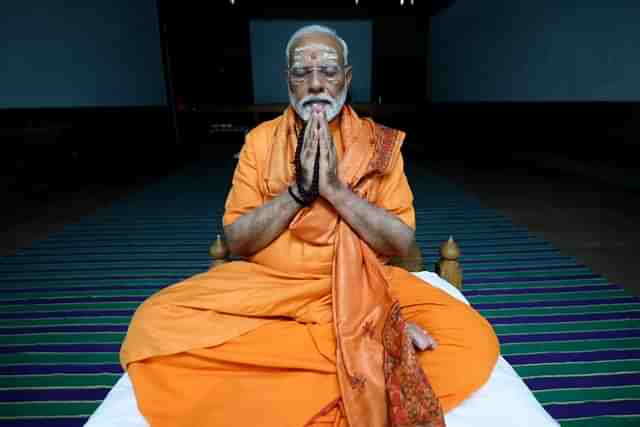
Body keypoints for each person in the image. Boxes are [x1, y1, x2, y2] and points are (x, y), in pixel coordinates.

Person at [120, 24, 499, 427]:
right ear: (288, 80)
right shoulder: (261, 142)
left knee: (470, 341)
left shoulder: (379, 145)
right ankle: (358, 364)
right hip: (271, 287)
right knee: (153, 322)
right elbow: (237, 242)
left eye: (329, 71)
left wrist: (335, 190)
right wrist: (299, 191)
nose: (316, 83)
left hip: (368, 287)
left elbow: (402, 242)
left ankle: (310, 371)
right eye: (301, 73)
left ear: (347, 79)